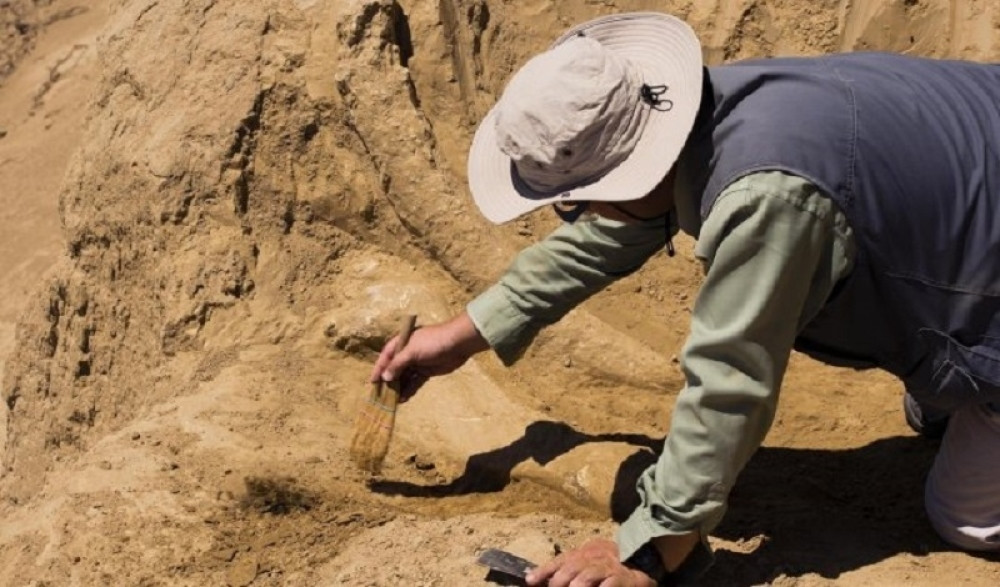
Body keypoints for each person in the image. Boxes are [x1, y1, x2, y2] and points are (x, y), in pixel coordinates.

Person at [370, 11, 1000, 586]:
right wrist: (464, 332)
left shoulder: (766, 197)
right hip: (973, 201)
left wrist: (648, 546)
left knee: (965, 520)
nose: (580, 216)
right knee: (933, 404)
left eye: (575, 201)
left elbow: (730, 378)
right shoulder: (716, 109)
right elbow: (619, 230)